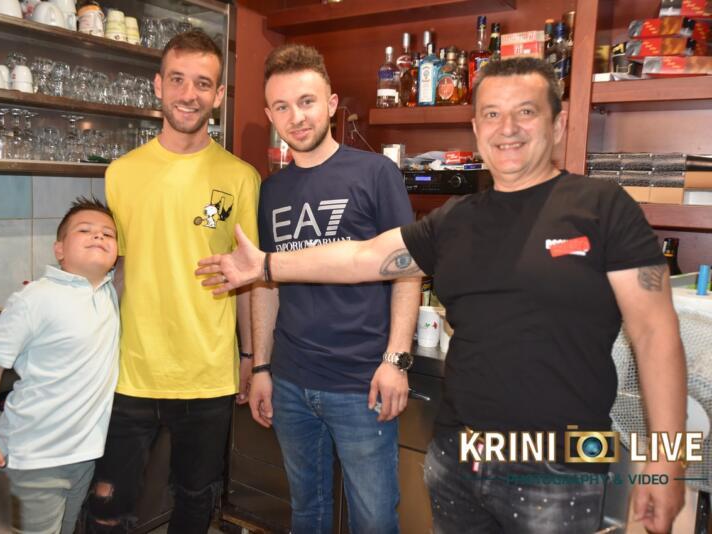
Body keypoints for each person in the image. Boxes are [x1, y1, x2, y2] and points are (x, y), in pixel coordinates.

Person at [197, 57, 687, 534]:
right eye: (492, 114)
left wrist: (668, 462)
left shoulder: (604, 208)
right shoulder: (456, 218)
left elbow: (657, 335)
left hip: (557, 461)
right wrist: (265, 266)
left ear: (558, 125)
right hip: (459, 455)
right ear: (476, 129)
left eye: (526, 111)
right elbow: (364, 257)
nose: (507, 128)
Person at [86, 29, 260, 534]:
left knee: (195, 501)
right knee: (107, 505)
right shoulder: (121, 173)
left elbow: (250, 281)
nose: (189, 94)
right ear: (158, 85)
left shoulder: (241, 177)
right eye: (178, 80)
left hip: (207, 372)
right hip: (130, 370)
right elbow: (114, 269)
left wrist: (251, 357)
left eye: (203, 83)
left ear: (219, 95)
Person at [249, 44, 420, 533]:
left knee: (373, 519)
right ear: (270, 116)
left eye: (306, 101)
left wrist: (396, 360)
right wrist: (261, 367)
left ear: (331, 103)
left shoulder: (375, 173)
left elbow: (407, 270)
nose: (296, 117)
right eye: (282, 107)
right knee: (308, 512)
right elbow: (267, 281)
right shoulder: (272, 190)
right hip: (290, 380)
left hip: (361, 383)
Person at [0, 196, 119, 534]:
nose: (98, 236)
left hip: (83, 457)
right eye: (85, 230)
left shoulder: (109, 294)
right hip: (32, 458)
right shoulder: (36, 297)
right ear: (59, 249)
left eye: (108, 234)